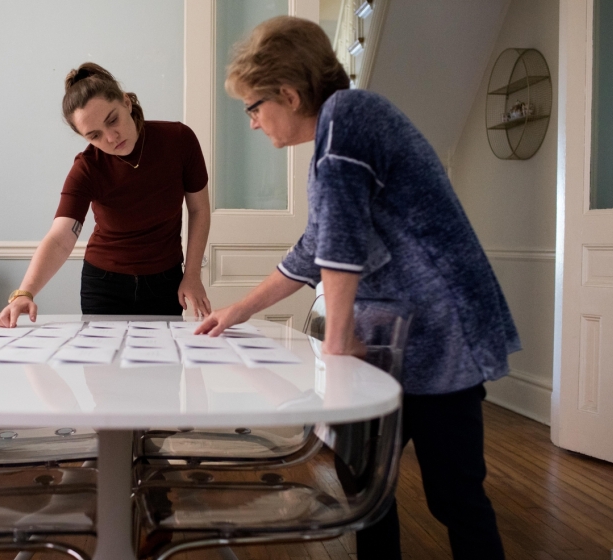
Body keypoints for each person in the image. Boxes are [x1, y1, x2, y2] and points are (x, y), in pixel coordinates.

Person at [195, 16, 520, 560]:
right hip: (392, 341)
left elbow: (341, 241)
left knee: (454, 495)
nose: (252, 122)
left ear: (289, 94)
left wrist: (339, 341)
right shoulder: (335, 136)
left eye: (253, 107)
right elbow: (313, 248)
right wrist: (238, 311)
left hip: (443, 337)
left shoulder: (349, 117)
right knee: (367, 489)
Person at [0, 63, 212, 327]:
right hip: (104, 284)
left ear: (126, 102)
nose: (111, 138)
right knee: (105, 368)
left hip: (164, 281)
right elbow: (61, 238)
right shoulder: (87, 168)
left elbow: (199, 209)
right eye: (95, 135)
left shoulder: (179, 140)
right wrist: (25, 293)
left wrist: (192, 274)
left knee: (164, 366)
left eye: (112, 120)